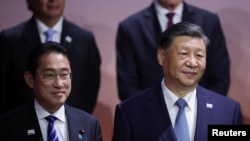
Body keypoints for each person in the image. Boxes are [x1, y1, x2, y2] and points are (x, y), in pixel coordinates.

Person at [112, 22, 242, 141]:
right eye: (183, 53)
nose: (192, 63)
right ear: (162, 57)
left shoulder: (228, 111)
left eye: (199, 56)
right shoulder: (130, 111)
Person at [0, 0, 101, 114]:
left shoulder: (85, 40)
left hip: (70, 126)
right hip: (21, 126)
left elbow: (90, 90)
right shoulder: (11, 39)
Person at [116, 0, 230, 101]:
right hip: (148, 116)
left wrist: (203, 110)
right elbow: (127, 85)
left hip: (200, 114)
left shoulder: (209, 21)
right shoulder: (130, 27)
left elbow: (220, 76)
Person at [0, 42, 103, 141]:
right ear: (30, 79)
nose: (59, 84)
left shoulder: (89, 124)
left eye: (64, 74)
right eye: (49, 75)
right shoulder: (7, 125)